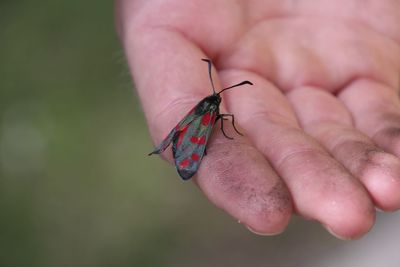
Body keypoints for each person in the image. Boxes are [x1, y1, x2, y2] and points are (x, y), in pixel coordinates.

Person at [115, 0, 400, 239]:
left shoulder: (210, 109)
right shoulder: (209, 109)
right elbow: (217, 121)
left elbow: (217, 120)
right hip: (193, 139)